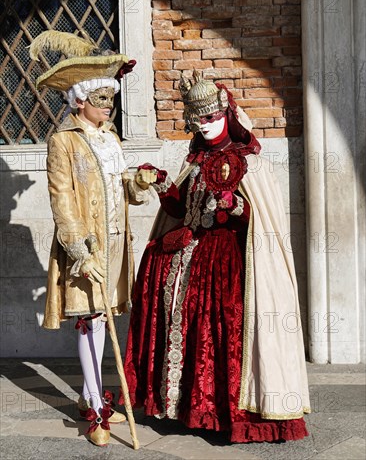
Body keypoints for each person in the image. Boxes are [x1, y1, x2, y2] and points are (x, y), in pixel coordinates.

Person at [124, 72, 311, 443]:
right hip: (191, 256)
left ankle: (225, 413)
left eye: (211, 118)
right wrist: (162, 183)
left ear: (226, 113)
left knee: (219, 330)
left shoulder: (250, 164)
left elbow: (257, 220)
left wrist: (234, 204)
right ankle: (184, 407)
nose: (205, 126)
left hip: (227, 263)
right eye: (198, 120)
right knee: (183, 322)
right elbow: (179, 210)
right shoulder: (195, 162)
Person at [31, 31, 148, 446]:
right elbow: (61, 199)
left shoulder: (111, 139)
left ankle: (86, 393)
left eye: (110, 99)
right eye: (101, 99)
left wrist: (139, 183)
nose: (108, 105)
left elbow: (122, 189)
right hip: (86, 248)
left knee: (106, 317)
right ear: (80, 100)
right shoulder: (62, 142)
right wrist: (79, 251)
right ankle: (98, 407)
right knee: (90, 319)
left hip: (116, 243)